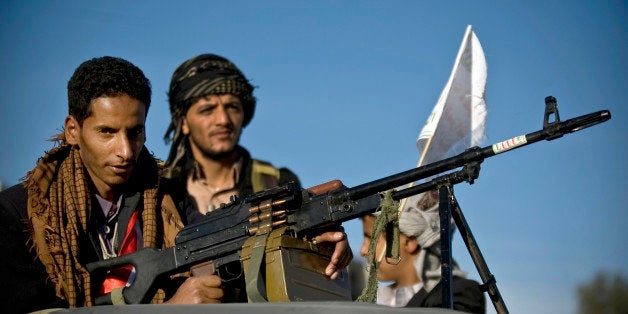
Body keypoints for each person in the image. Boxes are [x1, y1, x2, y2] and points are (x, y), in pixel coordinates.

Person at [0, 56, 222, 313]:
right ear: (73, 130)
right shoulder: (18, 215)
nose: (126, 151)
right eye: (107, 132)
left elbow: (210, 238)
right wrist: (170, 309)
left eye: (135, 132)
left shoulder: (170, 199)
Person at [161, 53, 352, 301]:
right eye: (207, 109)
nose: (223, 120)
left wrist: (324, 244)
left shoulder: (276, 182)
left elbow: (300, 247)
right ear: (183, 122)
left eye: (232, 107)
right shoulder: (162, 192)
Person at [359, 190, 485, 313]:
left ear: (410, 241)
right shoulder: (375, 299)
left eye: (371, 238)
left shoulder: (456, 293)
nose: (363, 251)